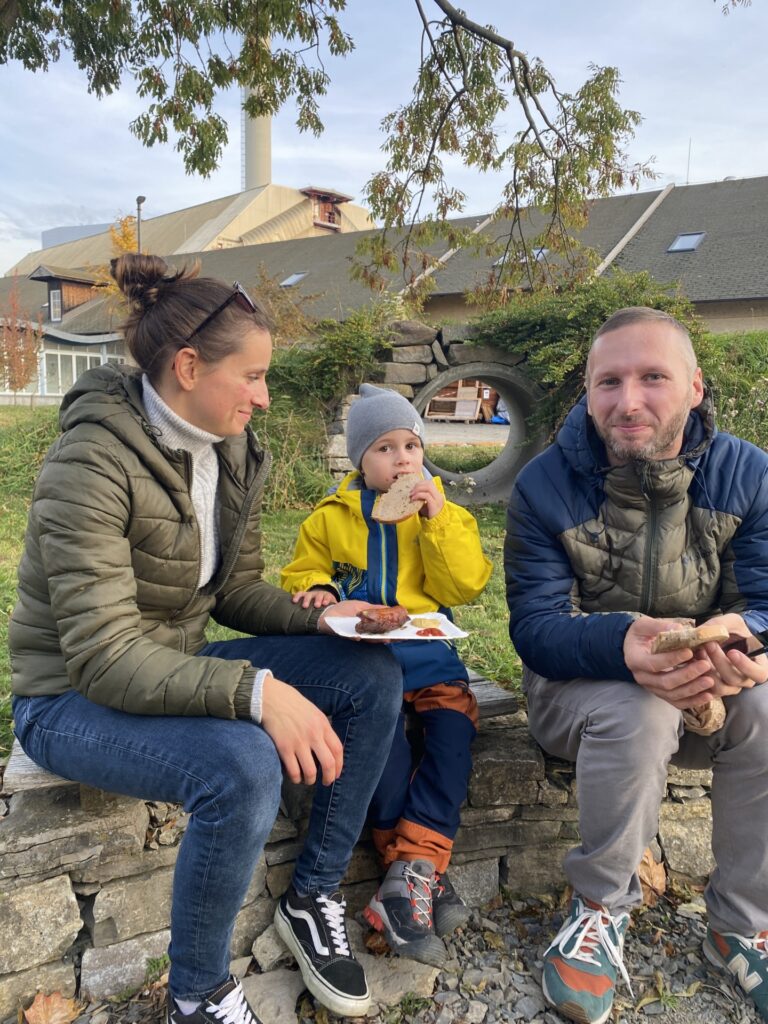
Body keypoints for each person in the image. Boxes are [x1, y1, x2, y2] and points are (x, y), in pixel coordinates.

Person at [9, 256, 405, 1024]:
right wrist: (260, 693)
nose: (264, 395)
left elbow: (233, 590)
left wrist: (322, 618)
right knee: (243, 764)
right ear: (188, 368)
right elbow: (103, 656)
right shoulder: (89, 462)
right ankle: (197, 994)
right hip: (68, 698)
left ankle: (311, 895)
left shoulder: (231, 452)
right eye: (251, 376)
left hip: (168, 665)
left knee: (370, 675)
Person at [504, 306, 768, 1024]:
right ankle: (599, 909)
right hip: (576, 694)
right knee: (640, 707)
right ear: (588, 392)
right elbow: (534, 628)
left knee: (767, 709)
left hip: (707, 690)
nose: (628, 401)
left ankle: (741, 925)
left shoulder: (748, 473)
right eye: (609, 382)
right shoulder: (543, 484)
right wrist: (622, 643)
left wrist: (745, 640)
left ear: (694, 386)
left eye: (653, 377)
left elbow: (766, 603)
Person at [280, 383, 492, 966]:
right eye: (385, 448)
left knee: (452, 738)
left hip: (430, 657)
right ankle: (418, 877)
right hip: (363, 667)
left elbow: (464, 586)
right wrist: (317, 588)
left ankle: (407, 872)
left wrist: (438, 522)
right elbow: (302, 572)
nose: (402, 460)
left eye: (411, 446)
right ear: (359, 460)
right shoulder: (330, 518)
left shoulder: (445, 515)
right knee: (381, 757)